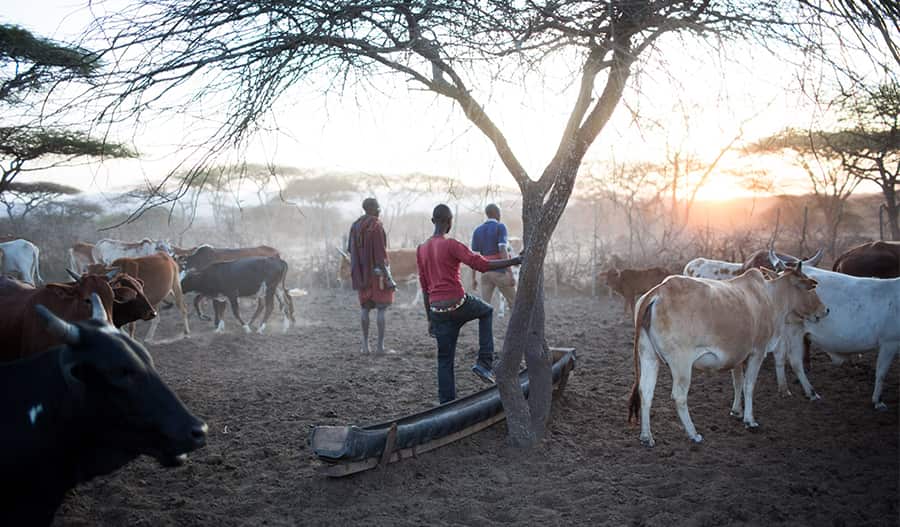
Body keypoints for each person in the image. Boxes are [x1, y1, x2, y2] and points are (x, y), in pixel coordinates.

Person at [416, 204, 522, 403]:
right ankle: (484, 363)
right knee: (486, 311)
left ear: (433, 221)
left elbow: (424, 287)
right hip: (459, 304)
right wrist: (514, 261)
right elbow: (482, 264)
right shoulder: (452, 245)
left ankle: (446, 405)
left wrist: (430, 319)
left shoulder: (421, 250)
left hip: (437, 310)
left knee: (444, 360)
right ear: (449, 222)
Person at [348, 197, 396, 354]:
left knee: (365, 308)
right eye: (378, 209)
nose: (379, 212)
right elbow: (381, 255)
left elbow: (350, 250)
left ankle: (365, 346)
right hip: (377, 274)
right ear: (374, 209)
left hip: (361, 274)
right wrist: (388, 277)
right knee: (381, 309)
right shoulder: (376, 226)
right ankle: (380, 347)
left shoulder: (355, 226)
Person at [471, 203, 517, 311]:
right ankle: (517, 328)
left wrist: (473, 279)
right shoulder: (500, 227)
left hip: (485, 273)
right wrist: (510, 273)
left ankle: (484, 328)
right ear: (497, 214)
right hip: (499, 272)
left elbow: (473, 257)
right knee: (514, 303)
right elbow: (502, 250)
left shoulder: (477, 230)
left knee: (484, 308)